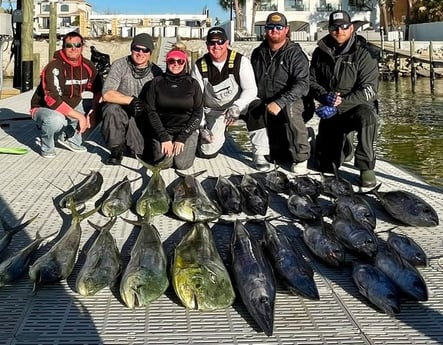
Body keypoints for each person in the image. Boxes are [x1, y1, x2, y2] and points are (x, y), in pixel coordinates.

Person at [309, 10, 379, 187]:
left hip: (356, 107)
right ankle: (343, 147)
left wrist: (342, 102)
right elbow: (311, 80)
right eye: (334, 27)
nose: (339, 31)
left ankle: (366, 167)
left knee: (368, 115)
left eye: (344, 27)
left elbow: (370, 89)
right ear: (329, 29)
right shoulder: (320, 52)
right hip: (330, 108)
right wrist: (324, 95)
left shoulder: (364, 53)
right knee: (325, 167)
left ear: (351, 28)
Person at [247, 12, 311, 172]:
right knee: (251, 103)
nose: (274, 30)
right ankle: (261, 153)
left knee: (290, 107)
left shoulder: (295, 54)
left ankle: (302, 157)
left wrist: (280, 102)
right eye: (270, 27)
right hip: (265, 104)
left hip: (290, 103)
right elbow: (248, 81)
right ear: (265, 30)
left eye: (278, 27)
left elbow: (303, 84)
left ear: (286, 30)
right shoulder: (257, 52)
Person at [30, 31, 102, 158]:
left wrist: (94, 110)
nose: (73, 48)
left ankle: (69, 138)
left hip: (74, 104)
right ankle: (47, 145)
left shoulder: (88, 66)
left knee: (105, 107)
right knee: (56, 120)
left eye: (77, 45)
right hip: (46, 107)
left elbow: (98, 90)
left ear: (82, 47)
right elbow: (52, 99)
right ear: (63, 47)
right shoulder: (54, 67)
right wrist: (80, 117)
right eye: (69, 45)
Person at [191, 27, 257, 158]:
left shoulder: (241, 61)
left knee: (258, 108)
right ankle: (219, 135)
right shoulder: (199, 66)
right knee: (207, 152)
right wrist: (202, 125)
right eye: (212, 42)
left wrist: (237, 106)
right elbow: (196, 99)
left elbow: (251, 89)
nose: (216, 46)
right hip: (214, 111)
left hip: (238, 107)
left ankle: (260, 153)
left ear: (227, 43)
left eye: (220, 42)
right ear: (207, 45)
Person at [101, 33, 162, 165]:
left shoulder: (156, 72)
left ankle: (133, 144)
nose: (140, 53)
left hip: (143, 116)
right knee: (111, 109)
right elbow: (107, 94)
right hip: (122, 110)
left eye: (145, 50)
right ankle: (115, 150)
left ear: (150, 52)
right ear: (131, 49)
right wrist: (131, 100)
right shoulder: (119, 65)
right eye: (137, 49)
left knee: (141, 153)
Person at [141, 48, 203, 170]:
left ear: (184, 63)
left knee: (182, 165)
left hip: (186, 130)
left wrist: (182, 137)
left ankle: (192, 143)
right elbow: (151, 111)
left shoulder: (192, 83)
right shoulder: (157, 82)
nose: (175, 64)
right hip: (163, 130)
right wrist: (163, 137)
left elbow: (198, 113)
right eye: (171, 61)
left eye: (180, 61)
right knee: (164, 165)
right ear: (167, 62)